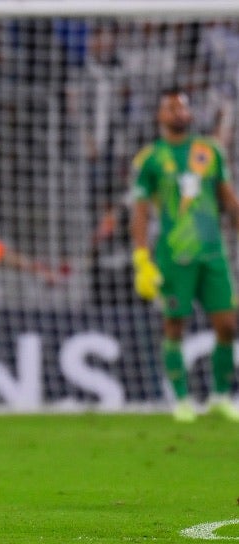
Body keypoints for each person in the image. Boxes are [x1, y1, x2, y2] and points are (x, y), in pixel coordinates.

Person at [130, 87, 239, 423]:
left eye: (183, 107)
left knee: (228, 325)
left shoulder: (209, 152)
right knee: (174, 325)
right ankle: (180, 399)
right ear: (160, 116)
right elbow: (141, 212)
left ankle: (220, 396)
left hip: (212, 254)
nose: (178, 112)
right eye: (171, 107)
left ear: (190, 114)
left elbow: (228, 200)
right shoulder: (150, 159)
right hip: (174, 256)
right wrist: (141, 259)